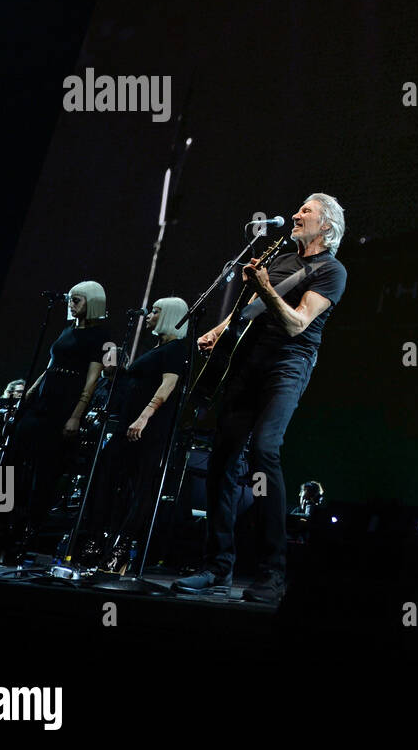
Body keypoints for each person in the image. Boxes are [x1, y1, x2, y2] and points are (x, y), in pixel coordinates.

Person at [172, 195, 347, 603]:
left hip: (289, 363)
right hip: (248, 360)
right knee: (222, 457)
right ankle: (217, 567)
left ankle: (273, 573)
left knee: (265, 451)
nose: (296, 214)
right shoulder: (282, 258)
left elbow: (297, 323)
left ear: (326, 226)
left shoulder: (332, 271)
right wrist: (218, 330)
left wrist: (265, 287)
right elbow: (247, 310)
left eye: (306, 211)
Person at [0, 282, 111, 560]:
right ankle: (0, 528)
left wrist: (76, 415)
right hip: (40, 404)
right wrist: (28, 395)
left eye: (76, 300)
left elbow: (92, 380)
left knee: (43, 476)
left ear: (91, 302)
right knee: (10, 465)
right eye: (70, 299)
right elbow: (49, 366)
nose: (70, 304)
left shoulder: (102, 336)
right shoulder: (67, 330)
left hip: (63, 409)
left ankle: (25, 537)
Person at [90, 298, 192, 572]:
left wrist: (144, 417)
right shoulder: (156, 349)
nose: (149, 315)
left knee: (141, 488)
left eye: (156, 311)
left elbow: (168, 385)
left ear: (169, 315)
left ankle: (121, 551)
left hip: (148, 430)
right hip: (128, 426)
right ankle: (101, 543)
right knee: (108, 478)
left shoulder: (175, 349)